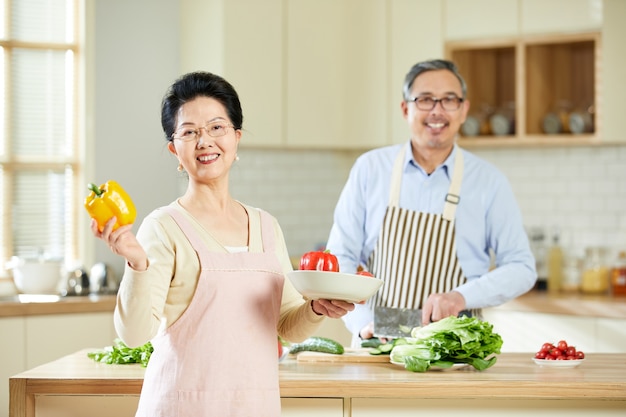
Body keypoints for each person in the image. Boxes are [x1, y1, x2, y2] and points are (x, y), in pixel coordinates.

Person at [91, 71, 355, 416]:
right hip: (181, 407)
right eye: (189, 132)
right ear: (174, 149)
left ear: (236, 137)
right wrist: (137, 265)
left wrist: (316, 309)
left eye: (217, 127)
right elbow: (135, 335)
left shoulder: (266, 227)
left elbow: (287, 326)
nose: (205, 141)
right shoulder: (163, 227)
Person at [326, 59, 537, 347]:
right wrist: (362, 323)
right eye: (425, 100)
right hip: (378, 344)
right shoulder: (370, 169)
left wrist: (461, 296)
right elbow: (340, 257)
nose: (437, 110)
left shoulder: (489, 181)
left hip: (456, 349)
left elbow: (521, 267)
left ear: (463, 110)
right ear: (405, 109)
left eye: (449, 100)